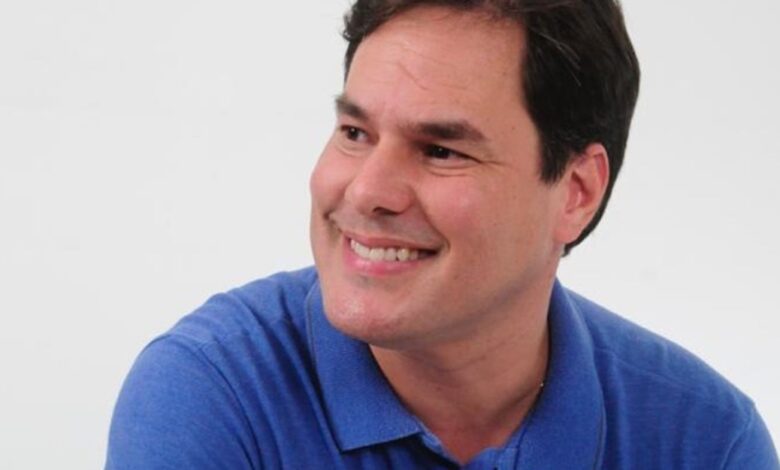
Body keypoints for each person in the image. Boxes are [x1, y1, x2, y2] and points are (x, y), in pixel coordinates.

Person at [106, 0, 778, 468]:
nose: (366, 191)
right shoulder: (211, 394)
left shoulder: (707, 443)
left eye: (441, 150)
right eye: (355, 133)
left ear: (576, 192)